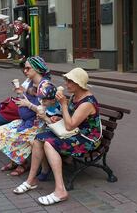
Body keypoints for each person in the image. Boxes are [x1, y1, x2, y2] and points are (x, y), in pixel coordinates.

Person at [13, 68, 102, 206]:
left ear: (78, 83)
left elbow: (70, 125)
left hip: (87, 139)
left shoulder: (87, 102)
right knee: (38, 138)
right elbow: (71, 119)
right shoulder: (76, 95)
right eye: (66, 81)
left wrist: (64, 105)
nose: (66, 84)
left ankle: (60, 190)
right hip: (75, 132)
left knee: (49, 143)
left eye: (69, 81)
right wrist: (58, 116)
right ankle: (31, 180)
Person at [0, 56, 51, 176]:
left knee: (11, 135)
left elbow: (43, 111)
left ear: (37, 69)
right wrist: (21, 94)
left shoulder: (45, 86)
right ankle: (15, 161)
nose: (25, 71)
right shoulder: (31, 83)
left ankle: (22, 163)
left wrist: (27, 104)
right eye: (24, 68)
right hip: (27, 121)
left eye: (28, 68)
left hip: (39, 124)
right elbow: (27, 100)